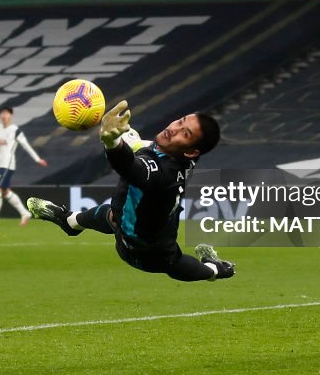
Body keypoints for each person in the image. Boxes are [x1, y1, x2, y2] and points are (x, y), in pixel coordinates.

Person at [28, 101, 234, 281]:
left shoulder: (164, 175)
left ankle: (215, 269)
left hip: (145, 251)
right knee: (115, 212)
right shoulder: (178, 154)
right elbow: (145, 147)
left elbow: (131, 167)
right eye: (180, 121)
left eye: (185, 133)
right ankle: (69, 221)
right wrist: (126, 136)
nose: (174, 128)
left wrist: (113, 142)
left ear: (191, 151)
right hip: (149, 220)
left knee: (173, 262)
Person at [0, 106, 48, 227]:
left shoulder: (15, 130)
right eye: (2, 113)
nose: (4, 115)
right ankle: (24, 213)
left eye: (6, 113)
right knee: (5, 192)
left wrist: (37, 159)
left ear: (10, 115)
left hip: (8, 164)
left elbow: (25, 145)